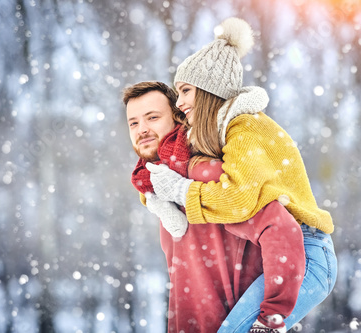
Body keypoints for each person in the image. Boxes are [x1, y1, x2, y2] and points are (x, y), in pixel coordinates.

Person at [146, 17, 337, 332]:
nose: (179, 103)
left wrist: (180, 192)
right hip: (280, 255)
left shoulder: (245, 127)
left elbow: (237, 197)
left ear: (208, 90)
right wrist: (152, 188)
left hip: (307, 254)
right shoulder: (220, 132)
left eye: (186, 91)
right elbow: (174, 159)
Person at [124, 81, 306, 333]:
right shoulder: (159, 186)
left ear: (179, 118)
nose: (142, 129)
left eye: (152, 118)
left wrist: (271, 317)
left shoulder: (206, 173)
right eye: (133, 123)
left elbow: (283, 231)